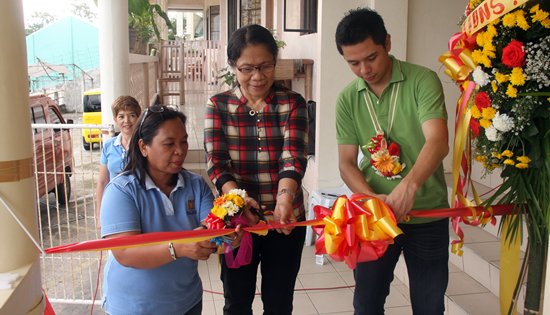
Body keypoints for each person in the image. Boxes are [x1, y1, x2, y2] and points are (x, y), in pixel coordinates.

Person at [334, 8, 450, 315]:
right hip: (374, 220)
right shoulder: (348, 98)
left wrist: (409, 186)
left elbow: (438, 141)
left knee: (429, 305)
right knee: (367, 304)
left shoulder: (422, 81)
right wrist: (374, 201)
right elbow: (346, 163)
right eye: (353, 63)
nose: (364, 69)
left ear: (387, 42)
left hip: (428, 214)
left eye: (371, 57)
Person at [204, 24, 309, 315]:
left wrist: (284, 201)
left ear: (275, 62)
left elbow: (293, 157)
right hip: (239, 224)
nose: (257, 76)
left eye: (265, 66)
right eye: (247, 68)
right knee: (236, 302)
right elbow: (217, 163)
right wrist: (239, 203)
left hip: (284, 220)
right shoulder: (218, 106)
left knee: (278, 303)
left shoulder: (292, 103)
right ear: (233, 67)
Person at [100, 105, 228, 315]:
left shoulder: (195, 185)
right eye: (169, 144)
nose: (180, 150)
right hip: (134, 308)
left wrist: (227, 237)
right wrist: (179, 248)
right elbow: (125, 253)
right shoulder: (121, 191)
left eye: (184, 141)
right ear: (143, 147)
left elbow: (212, 226)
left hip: (187, 303)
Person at [95, 95, 141, 229]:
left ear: (138, 117)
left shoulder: (145, 145)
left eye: (131, 115)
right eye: (121, 116)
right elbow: (102, 181)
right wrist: (99, 215)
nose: (126, 121)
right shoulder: (108, 146)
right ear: (115, 119)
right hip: (115, 204)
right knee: (115, 245)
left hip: (140, 204)